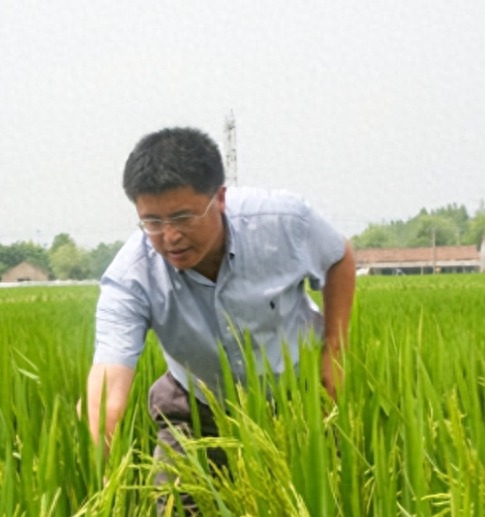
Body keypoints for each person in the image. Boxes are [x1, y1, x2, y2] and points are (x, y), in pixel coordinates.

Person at [84, 127, 356, 514]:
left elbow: (339, 257)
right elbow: (106, 390)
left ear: (220, 198)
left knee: (317, 503)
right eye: (152, 221)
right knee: (177, 507)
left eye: (183, 216)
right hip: (197, 408)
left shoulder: (283, 222)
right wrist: (99, 467)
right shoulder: (131, 277)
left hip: (297, 396)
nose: (170, 236)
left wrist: (335, 351)